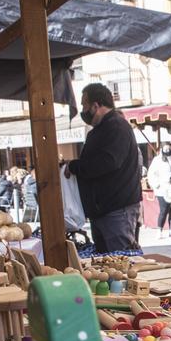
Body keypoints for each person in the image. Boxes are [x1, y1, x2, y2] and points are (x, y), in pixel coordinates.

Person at [63, 83, 142, 252]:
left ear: (96, 105)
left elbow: (107, 162)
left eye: (84, 105)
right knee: (107, 264)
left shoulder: (116, 127)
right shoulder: (100, 130)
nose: (83, 110)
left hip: (117, 210)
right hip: (103, 211)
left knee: (122, 263)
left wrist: (75, 166)